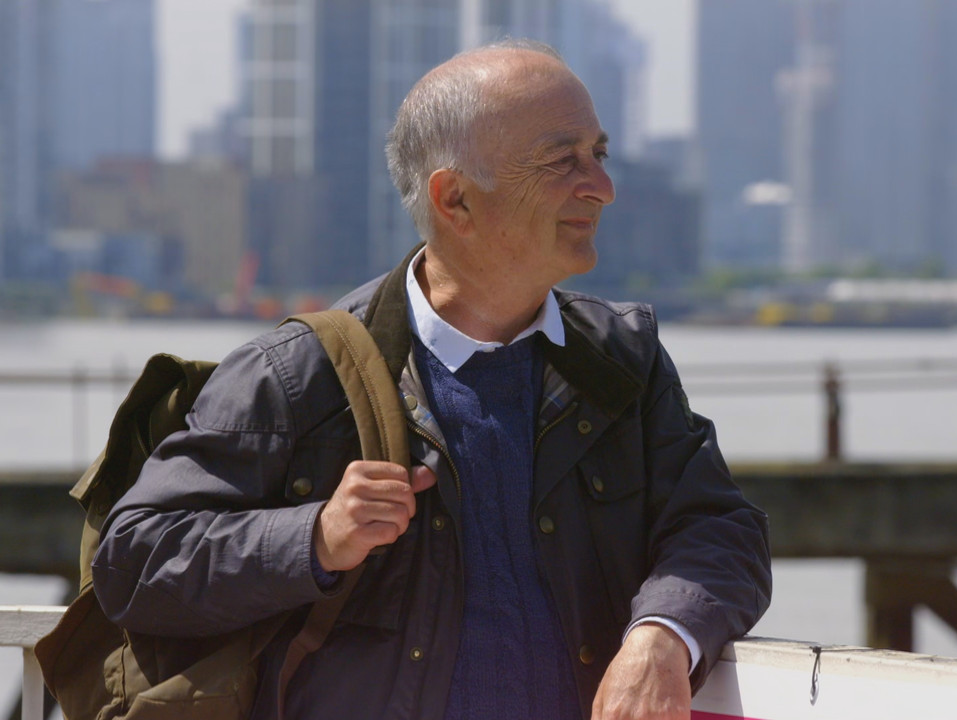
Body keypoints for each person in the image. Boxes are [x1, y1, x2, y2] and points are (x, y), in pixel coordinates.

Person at [93, 39, 771, 720]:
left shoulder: (624, 359)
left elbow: (721, 528)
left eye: (598, 153)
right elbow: (132, 562)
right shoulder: (300, 373)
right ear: (456, 199)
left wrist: (663, 636)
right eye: (563, 160)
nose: (602, 186)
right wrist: (315, 537)